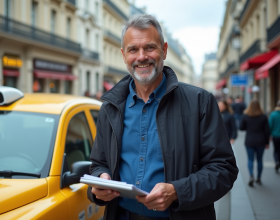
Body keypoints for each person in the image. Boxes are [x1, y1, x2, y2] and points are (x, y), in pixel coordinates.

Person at [87, 14, 238, 220]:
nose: (141, 57)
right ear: (124, 55)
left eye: (149, 47)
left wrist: (177, 191)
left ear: (164, 50)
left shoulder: (200, 102)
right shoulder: (110, 108)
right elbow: (98, 164)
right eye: (133, 49)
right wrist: (99, 180)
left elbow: (224, 170)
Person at [240, 100, 270, 186]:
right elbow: (267, 131)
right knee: (260, 160)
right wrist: (267, 142)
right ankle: (259, 178)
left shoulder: (245, 116)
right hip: (261, 141)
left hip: (249, 140)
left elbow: (241, 128)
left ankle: (251, 176)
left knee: (250, 159)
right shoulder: (263, 116)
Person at [269, 100, 280, 173]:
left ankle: (277, 161)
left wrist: (269, 135)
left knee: (276, 150)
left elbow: (270, 126)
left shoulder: (273, 114)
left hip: (275, 136)